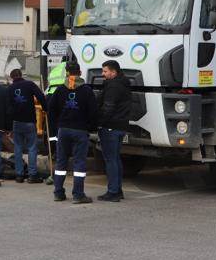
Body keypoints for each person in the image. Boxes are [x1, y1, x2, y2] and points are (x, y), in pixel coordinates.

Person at [47, 61, 97, 204]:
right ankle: (78, 195)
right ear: (80, 73)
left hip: (63, 130)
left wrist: (58, 125)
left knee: (61, 162)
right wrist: (90, 126)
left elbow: (51, 111)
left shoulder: (60, 90)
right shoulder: (86, 91)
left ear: (67, 73)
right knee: (79, 163)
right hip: (80, 130)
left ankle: (58, 193)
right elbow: (93, 112)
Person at [96, 59, 132, 202]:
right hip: (120, 126)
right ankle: (118, 189)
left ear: (113, 71)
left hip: (110, 126)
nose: (103, 74)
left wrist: (99, 122)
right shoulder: (124, 84)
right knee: (115, 159)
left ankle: (113, 192)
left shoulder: (113, 86)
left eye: (105, 71)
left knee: (111, 160)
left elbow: (108, 107)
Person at [7, 68, 46, 183]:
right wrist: (46, 108)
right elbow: (40, 96)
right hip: (29, 121)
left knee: (18, 148)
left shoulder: (9, 89)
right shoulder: (30, 84)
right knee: (32, 148)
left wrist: (8, 125)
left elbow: (7, 108)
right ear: (21, 75)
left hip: (16, 122)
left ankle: (19, 175)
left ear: (12, 77)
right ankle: (32, 175)